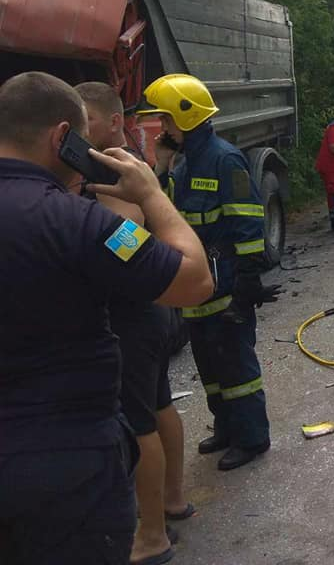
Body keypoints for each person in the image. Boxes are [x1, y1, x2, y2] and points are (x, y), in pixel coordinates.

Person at [0, 72, 212, 565]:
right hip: (64, 467)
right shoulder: (79, 221)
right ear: (61, 138)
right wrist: (152, 194)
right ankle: (155, 530)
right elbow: (192, 278)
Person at [138, 74, 280, 472]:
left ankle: (252, 438)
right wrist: (162, 166)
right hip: (197, 289)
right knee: (211, 369)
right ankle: (227, 428)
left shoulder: (224, 158)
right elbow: (163, 213)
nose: (162, 128)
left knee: (236, 369)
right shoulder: (182, 164)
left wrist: (248, 281)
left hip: (227, 285)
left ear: (186, 116)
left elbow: (248, 222)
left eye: (166, 120)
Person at [77, 81, 193, 564]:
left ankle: (152, 535)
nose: (77, 132)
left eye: (85, 121)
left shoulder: (116, 166)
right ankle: (171, 501)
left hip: (135, 311)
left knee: (138, 419)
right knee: (159, 402)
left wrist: (86, 228)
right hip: (151, 307)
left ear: (111, 122)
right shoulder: (124, 163)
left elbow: (129, 236)